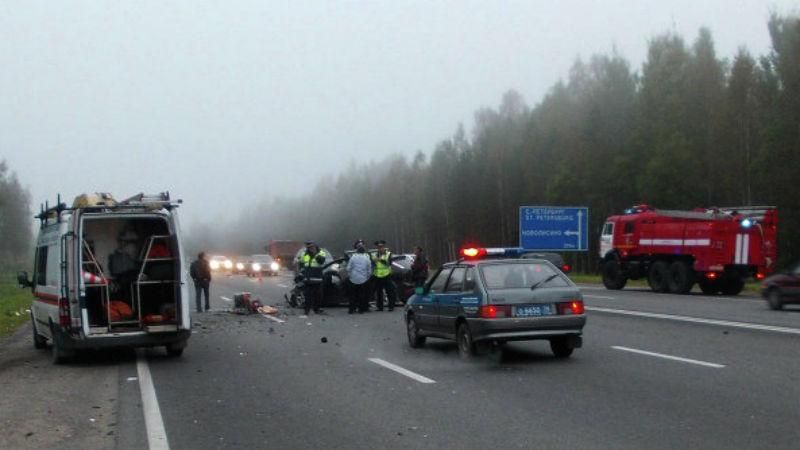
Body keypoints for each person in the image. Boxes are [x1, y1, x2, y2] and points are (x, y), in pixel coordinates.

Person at [298, 241, 327, 315]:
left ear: (315, 246)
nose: (310, 248)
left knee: (318, 296)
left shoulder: (321, 253)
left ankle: (316, 309)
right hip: (308, 279)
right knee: (307, 296)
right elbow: (301, 263)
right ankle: (306, 310)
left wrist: (315, 254)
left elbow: (321, 261)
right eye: (309, 247)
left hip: (317, 278)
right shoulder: (305, 254)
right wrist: (301, 273)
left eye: (311, 247)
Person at [346, 239, 373, 314]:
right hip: (363, 279)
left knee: (353, 295)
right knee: (362, 295)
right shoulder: (367, 258)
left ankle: (352, 309)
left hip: (353, 279)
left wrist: (350, 275)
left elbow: (348, 268)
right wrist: (367, 277)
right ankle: (361, 309)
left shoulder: (353, 257)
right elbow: (369, 268)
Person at [371, 240, 398, 311]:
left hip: (386, 275)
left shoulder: (388, 254)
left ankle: (391, 306)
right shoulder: (374, 255)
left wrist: (379, 260)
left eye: (381, 247)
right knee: (379, 292)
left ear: (384, 247)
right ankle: (380, 307)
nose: (380, 248)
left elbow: (389, 263)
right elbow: (372, 264)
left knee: (389, 291)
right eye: (379, 247)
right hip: (377, 275)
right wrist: (373, 262)